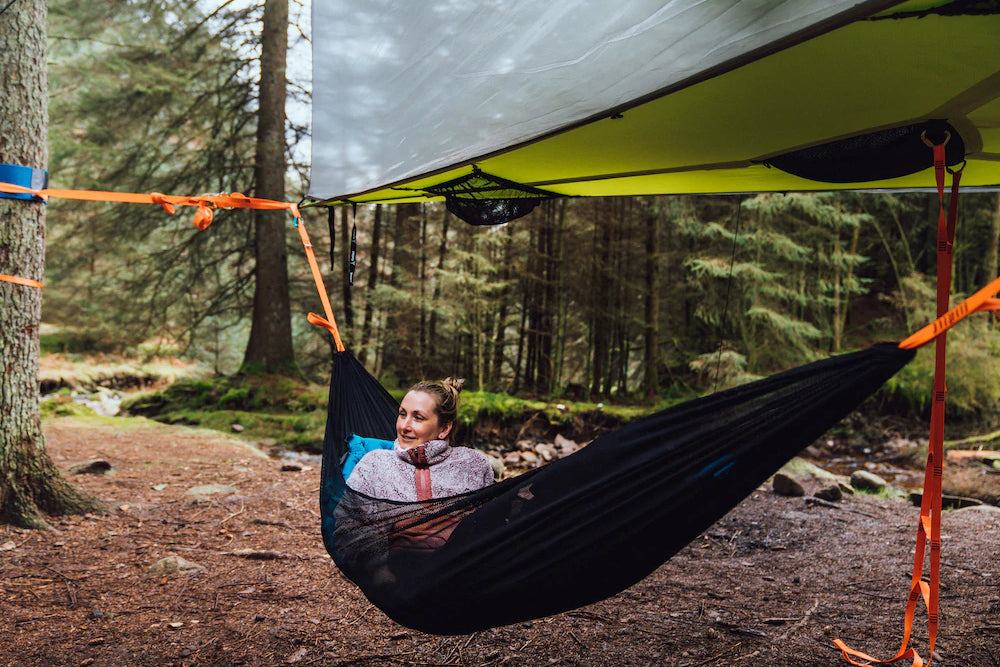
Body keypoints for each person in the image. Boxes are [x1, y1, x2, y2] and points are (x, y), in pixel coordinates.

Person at [346, 377, 494, 502]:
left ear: (444, 429)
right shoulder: (374, 464)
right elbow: (349, 525)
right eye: (402, 414)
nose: (404, 426)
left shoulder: (473, 465)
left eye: (418, 418)